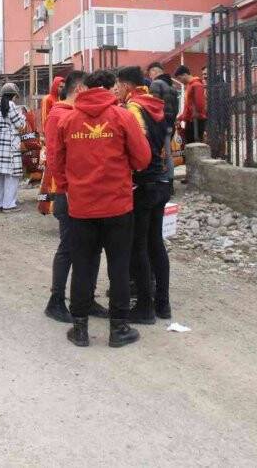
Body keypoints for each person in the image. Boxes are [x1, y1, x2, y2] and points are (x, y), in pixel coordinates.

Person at [50, 69, 151, 348]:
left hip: (81, 208)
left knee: (83, 265)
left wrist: (69, 187)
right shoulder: (122, 116)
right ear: (110, 88)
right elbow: (142, 158)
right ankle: (118, 329)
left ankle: (80, 329)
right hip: (117, 205)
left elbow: (56, 162)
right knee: (119, 266)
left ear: (84, 89)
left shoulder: (68, 120)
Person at [39, 70, 108, 323]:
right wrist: (66, 189)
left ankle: (87, 298)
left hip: (87, 193)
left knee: (93, 247)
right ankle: (56, 300)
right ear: (79, 90)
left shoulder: (76, 114)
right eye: (90, 90)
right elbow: (55, 159)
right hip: (67, 193)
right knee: (68, 247)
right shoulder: (59, 115)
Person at [116, 66, 172, 324]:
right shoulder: (156, 104)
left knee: (138, 245)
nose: (116, 90)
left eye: (118, 86)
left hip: (143, 182)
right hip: (161, 179)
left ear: (127, 86)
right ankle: (163, 304)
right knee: (156, 243)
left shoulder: (134, 108)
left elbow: (138, 146)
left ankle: (145, 308)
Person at [0, 83, 27, 212]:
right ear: (13, 95)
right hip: (10, 144)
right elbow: (20, 124)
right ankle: (9, 205)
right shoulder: (11, 105)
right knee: (12, 175)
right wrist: (22, 115)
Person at [175, 65, 207, 144]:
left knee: (194, 144)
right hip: (192, 120)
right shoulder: (190, 85)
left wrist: (185, 117)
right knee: (190, 144)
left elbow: (200, 105)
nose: (180, 81)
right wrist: (181, 117)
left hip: (196, 121)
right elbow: (188, 106)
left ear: (185, 75)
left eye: (180, 78)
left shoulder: (196, 85)